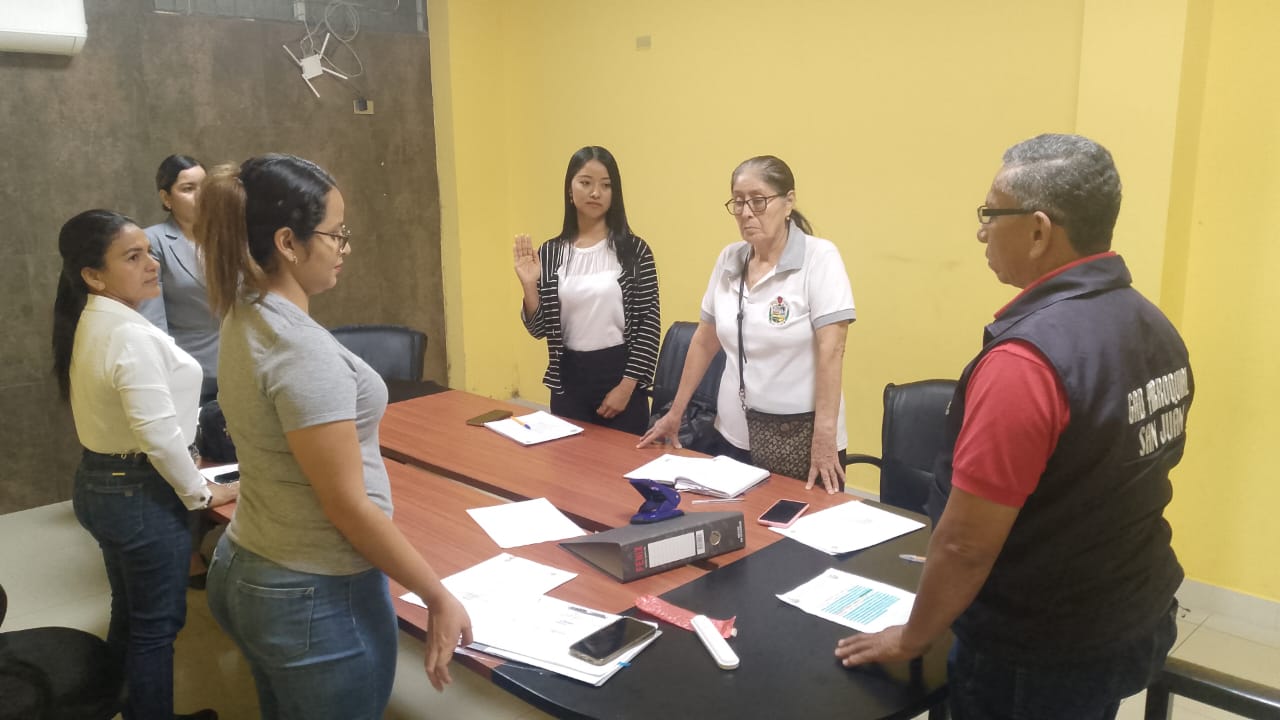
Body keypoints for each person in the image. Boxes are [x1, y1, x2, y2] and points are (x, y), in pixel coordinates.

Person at [834, 134, 1192, 720]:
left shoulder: (1026, 364)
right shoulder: (1154, 326)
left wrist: (912, 637)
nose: (981, 232)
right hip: (1129, 611)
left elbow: (966, 545)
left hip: (1038, 650)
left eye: (991, 214)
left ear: (1039, 231)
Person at [198, 153, 473, 719]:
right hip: (312, 589)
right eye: (336, 234)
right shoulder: (301, 352)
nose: (345, 248)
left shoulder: (245, 309)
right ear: (288, 243)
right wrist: (436, 595)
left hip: (250, 558)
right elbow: (347, 506)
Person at [52, 209, 238, 720]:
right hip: (138, 494)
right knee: (156, 628)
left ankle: (126, 707)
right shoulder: (129, 334)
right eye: (133, 257)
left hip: (102, 483)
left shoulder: (95, 319)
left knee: (131, 613)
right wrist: (201, 492)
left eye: (148, 253)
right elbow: (158, 435)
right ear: (94, 275)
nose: (152, 264)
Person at [637, 155, 854, 493]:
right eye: (738, 202)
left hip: (802, 436)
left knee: (795, 522)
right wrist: (675, 412)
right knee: (735, 519)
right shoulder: (729, 259)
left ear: (788, 202)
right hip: (734, 432)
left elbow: (832, 349)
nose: (747, 212)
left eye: (758, 200)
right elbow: (705, 340)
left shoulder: (819, 258)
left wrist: (825, 436)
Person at [514, 145, 661, 435]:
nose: (596, 193)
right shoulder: (550, 252)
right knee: (568, 460)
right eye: (585, 183)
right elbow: (539, 329)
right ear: (570, 190)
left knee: (621, 461)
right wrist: (529, 285)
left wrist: (626, 387)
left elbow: (649, 326)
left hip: (621, 377)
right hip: (568, 382)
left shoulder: (635, 251)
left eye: (606, 185)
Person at [138, 154, 220, 404]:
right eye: (188, 188)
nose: (201, 195)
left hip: (240, 365)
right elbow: (153, 322)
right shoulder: (153, 242)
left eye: (205, 187)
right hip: (191, 373)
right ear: (166, 198)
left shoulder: (227, 236)